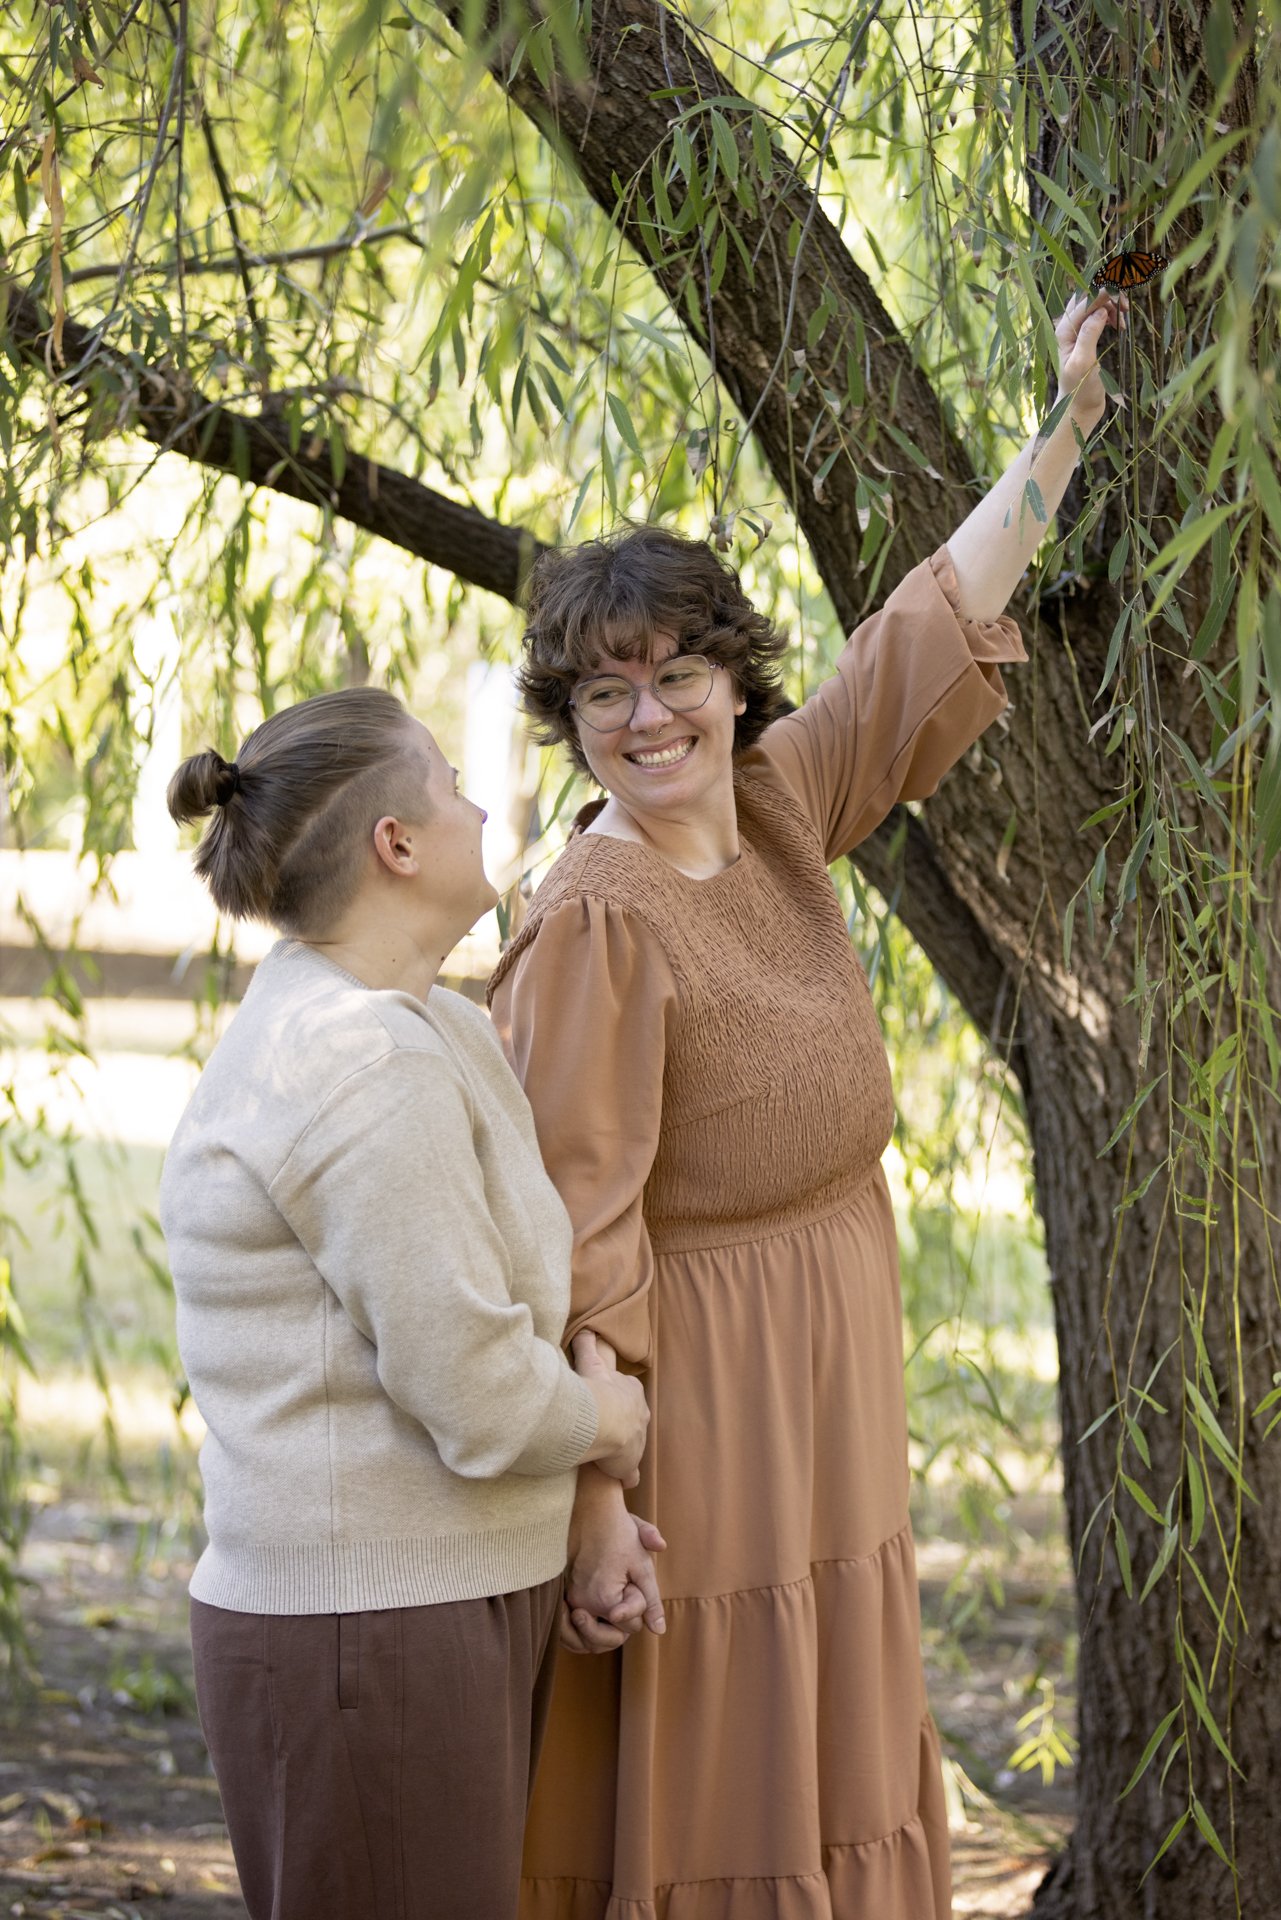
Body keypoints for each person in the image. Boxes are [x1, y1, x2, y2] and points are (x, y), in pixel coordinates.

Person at [488, 291, 1124, 1919]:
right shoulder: (598, 919)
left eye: (677, 674)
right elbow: (579, 1227)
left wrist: (1068, 429)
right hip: (704, 1386)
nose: (648, 719)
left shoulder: (775, 804)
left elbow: (925, 630)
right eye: (605, 695)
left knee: (834, 1697)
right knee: (730, 1727)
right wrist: (595, 1507)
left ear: (731, 681)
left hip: (828, 1332)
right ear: (568, 720)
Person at [157, 688, 651, 1920]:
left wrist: (575, 1523)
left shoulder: (430, 1024)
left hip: (426, 1612)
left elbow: (506, 1310)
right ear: (398, 844)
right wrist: (610, 1425)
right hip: (361, 1633)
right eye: (446, 779)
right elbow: (477, 1390)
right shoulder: (356, 1063)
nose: (482, 802)